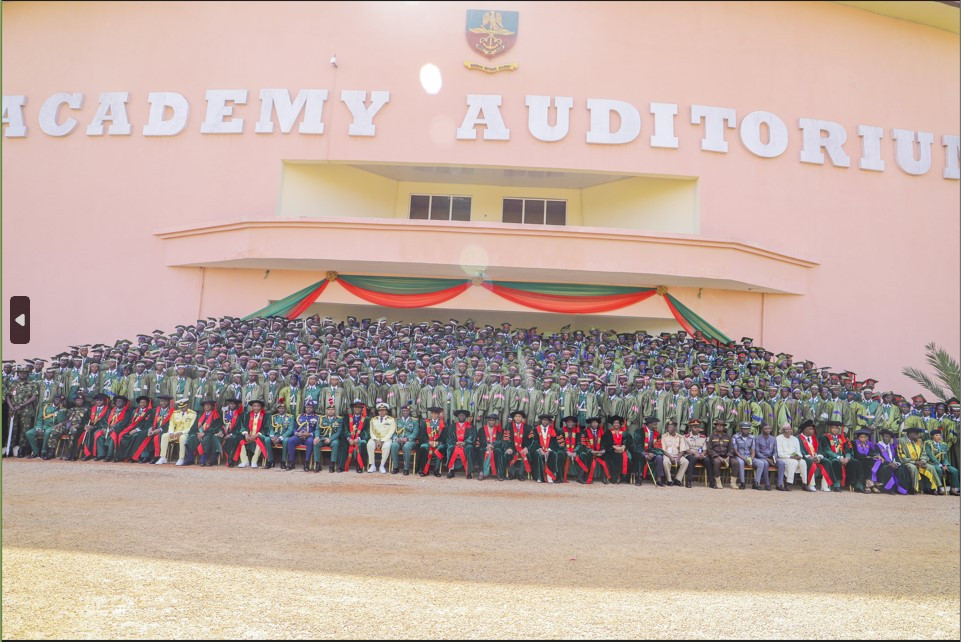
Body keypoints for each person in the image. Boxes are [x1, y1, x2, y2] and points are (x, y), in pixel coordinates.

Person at [4, 367, 38, 457]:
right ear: (18, 373)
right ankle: (9, 448)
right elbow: (8, 396)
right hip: (13, 410)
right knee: (12, 429)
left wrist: (21, 405)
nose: (22, 374)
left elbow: (34, 397)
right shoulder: (13, 383)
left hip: (26, 410)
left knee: (24, 430)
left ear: (27, 374)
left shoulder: (32, 384)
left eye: (24, 373)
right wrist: (11, 406)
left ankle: (22, 449)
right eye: (20, 373)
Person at [897, 425, 939, 494]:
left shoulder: (919, 441)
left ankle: (933, 488)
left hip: (919, 462)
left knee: (931, 467)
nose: (918, 435)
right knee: (913, 468)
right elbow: (901, 455)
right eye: (916, 434)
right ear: (910, 434)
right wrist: (914, 462)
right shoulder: (901, 441)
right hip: (908, 462)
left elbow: (923, 453)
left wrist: (923, 461)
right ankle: (914, 488)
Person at [25, 394, 66, 459]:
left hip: (52, 427)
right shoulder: (46, 407)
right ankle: (35, 452)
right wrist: (39, 428)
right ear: (53, 399)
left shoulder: (63, 410)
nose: (58, 401)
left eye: (60, 400)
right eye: (57, 399)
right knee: (29, 433)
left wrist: (60, 410)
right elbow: (39, 419)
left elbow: (60, 421)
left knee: (47, 432)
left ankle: (44, 452)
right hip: (43, 426)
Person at [157, 398, 196, 465]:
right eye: (181, 407)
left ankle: (181, 458)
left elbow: (191, 427)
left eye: (184, 407)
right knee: (164, 436)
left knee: (182, 438)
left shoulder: (193, 414)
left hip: (186, 433)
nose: (182, 409)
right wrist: (171, 432)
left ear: (187, 406)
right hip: (175, 433)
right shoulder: (175, 413)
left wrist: (182, 432)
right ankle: (163, 457)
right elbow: (171, 424)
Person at [115, 396, 153, 462]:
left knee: (134, 436)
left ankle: (134, 457)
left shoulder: (149, 412)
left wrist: (136, 430)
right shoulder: (135, 411)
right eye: (141, 402)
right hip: (132, 428)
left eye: (144, 402)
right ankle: (123, 456)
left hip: (143, 430)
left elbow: (147, 424)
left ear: (147, 403)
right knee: (122, 436)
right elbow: (130, 422)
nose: (142, 404)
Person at [234, 399, 269, 469]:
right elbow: (243, 426)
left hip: (259, 435)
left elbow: (266, 428)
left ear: (261, 407)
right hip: (248, 434)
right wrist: (246, 434)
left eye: (258, 406)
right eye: (254, 406)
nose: (256, 408)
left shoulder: (265, 415)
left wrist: (256, 435)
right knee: (239, 437)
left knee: (260, 440)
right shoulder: (247, 415)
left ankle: (254, 461)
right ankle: (244, 461)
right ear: (252, 407)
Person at [798, 419, 832, 492]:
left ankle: (824, 485)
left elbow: (820, 450)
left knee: (827, 462)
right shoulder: (799, 439)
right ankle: (811, 484)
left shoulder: (815, 438)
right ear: (804, 430)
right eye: (810, 429)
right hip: (806, 458)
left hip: (816, 458)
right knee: (810, 462)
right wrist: (810, 457)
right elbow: (800, 451)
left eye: (813, 429)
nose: (813, 430)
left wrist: (818, 457)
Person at [819, 420, 851, 491]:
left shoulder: (842, 437)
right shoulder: (824, 437)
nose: (835, 429)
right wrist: (838, 457)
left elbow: (848, 449)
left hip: (843, 458)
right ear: (829, 428)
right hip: (831, 457)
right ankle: (837, 485)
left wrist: (847, 457)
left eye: (837, 428)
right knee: (836, 462)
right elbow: (826, 450)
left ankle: (856, 485)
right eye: (833, 428)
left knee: (854, 462)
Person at [925, 429, 959, 496]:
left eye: (940, 435)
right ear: (932, 436)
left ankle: (953, 489)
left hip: (942, 463)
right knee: (939, 470)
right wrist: (940, 465)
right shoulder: (928, 444)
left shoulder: (943, 445)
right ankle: (939, 488)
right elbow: (930, 455)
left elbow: (945, 457)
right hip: (932, 463)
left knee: (954, 470)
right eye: (936, 435)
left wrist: (945, 464)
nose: (939, 437)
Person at [578, 416, 610, 484]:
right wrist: (591, 451)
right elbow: (584, 444)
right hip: (588, 451)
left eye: (596, 422)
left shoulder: (601, 432)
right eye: (593, 422)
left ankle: (604, 477)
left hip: (598, 451)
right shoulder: (585, 432)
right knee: (587, 456)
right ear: (590, 424)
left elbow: (603, 443)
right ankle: (586, 477)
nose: (595, 424)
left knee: (606, 456)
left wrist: (602, 450)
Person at [287, 401, 318, 471]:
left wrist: (310, 434)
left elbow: (318, 430)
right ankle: (291, 462)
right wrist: (297, 433)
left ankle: (306, 463)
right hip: (299, 436)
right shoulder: (299, 416)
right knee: (290, 440)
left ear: (313, 408)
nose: (308, 409)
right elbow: (294, 428)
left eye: (310, 407)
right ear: (305, 408)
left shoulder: (317, 417)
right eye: (307, 407)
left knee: (310, 441)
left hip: (309, 436)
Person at [875, 429, 907, 495]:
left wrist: (897, 463)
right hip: (882, 464)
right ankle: (890, 489)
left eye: (889, 437)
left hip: (893, 463)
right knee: (887, 468)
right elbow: (877, 458)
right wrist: (889, 464)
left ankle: (900, 489)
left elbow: (896, 457)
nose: (887, 438)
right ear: (882, 437)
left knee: (902, 467)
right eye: (885, 436)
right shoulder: (877, 446)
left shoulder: (892, 446)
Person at [390, 402, 419, 475]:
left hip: (410, 441)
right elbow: (393, 432)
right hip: (399, 440)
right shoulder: (397, 421)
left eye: (407, 411)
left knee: (406, 446)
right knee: (394, 445)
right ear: (401, 411)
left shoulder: (414, 421)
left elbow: (415, 433)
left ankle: (406, 469)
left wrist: (408, 439)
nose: (405, 412)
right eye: (404, 411)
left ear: (409, 411)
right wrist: (396, 438)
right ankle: (396, 467)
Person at [775, 423, 805, 491]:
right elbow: (780, 453)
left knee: (803, 462)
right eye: (786, 429)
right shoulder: (779, 438)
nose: (788, 431)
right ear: (783, 430)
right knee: (793, 462)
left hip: (795, 458)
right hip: (784, 458)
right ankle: (788, 483)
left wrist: (799, 456)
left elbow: (798, 451)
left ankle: (804, 484)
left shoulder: (795, 439)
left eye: (790, 429)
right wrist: (791, 457)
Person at [314, 400, 343, 473]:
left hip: (333, 439)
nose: (330, 411)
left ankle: (332, 464)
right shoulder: (321, 418)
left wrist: (330, 439)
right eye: (329, 409)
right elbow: (317, 429)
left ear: (335, 410)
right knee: (316, 443)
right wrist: (317, 437)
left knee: (335, 443)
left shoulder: (339, 419)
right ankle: (317, 464)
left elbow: (338, 432)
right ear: (326, 410)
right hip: (323, 438)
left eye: (332, 409)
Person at [504, 410, 532, 481]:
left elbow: (531, 440)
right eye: (516, 416)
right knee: (508, 454)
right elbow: (506, 439)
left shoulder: (528, 427)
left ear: (522, 418)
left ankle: (520, 474)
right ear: (513, 418)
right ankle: (512, 473)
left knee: (525, 454)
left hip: (523, 448)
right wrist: (509, 448)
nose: (518, 418)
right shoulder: (508, 427)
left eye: (519, 416)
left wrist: (526, 448)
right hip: (512, 448)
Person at [368, 402, 397, 474]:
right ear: (378, 411)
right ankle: (372, 465)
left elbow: (391, 432)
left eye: (383, 410)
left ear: (386, 411)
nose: (382, 412)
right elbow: (371, 431)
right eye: (380, 410)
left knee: (387, 446)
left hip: (386, 439)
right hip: (375, 438)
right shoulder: (373, 419)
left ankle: (382, 465)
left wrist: (382, 441)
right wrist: (376, 440)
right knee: (369, 444)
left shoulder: (391, 420)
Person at [342, 400, 370, 473]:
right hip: (349, 439)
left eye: (359, 407)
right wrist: (349, 438)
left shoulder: (366, 419)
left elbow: (367, 432)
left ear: (361, 409)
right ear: (353, 409)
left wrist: (358, 438)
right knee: (342, 443)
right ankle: (342, 466)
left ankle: (359, 466)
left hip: (359, 439)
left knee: (362, 443)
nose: (357, 409)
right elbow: (345, 430)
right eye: (355, 407)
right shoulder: (347, 418)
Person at [682, 419, 711, 488]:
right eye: (695, 427)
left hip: (700, 455)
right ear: (691, 427)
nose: (696, 429)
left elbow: (704, 449)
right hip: (690, 454)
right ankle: (689, 482)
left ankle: (712, 482)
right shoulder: (686, 437)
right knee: (692, 460)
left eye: (698, 427)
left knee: (707, 461)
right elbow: (686, 450)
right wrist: (695, 454)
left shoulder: (703, 437)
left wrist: (703, 454)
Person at [446, 408, 474, 479]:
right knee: (450, 448)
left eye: (463, 415)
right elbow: (449, 437)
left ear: (466, 417)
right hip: (455, 444)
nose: (461, 417)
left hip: (466, 444)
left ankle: (469, 472)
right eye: (460, 415)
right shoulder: (452, 426)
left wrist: (465, 442)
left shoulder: (470, 426)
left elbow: (472, 437)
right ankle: (451, 470)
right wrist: (456, 442)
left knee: (469, 448)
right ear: (457, 417)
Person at [419, 406, 447, 477]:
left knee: (440, 448)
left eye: (436, 414)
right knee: (423, 447)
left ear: (439, 414)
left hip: (438, 443)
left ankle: (436, 470)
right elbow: (422, 435)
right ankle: (424, 470)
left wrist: (439, 442)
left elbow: (445, 436)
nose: (434, 415)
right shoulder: (426, 423)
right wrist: (428, 441)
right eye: (433, 413)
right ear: (431, 414)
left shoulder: (443, 423)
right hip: (428, 442)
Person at [706, 418, 733, 489]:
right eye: (718, 425)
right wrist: (718, 457)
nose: (720, 427)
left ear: (724, 427)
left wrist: (728, 457)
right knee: (717, 462)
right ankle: (718, 481)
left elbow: (731, 448)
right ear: (715, 426)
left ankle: (733, 482)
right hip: (715, 456)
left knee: (735, 462)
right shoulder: (711, 436)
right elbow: (709, 449)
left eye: (721, 425)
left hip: (726, 456)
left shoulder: (728, 436)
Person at [266, 402, 295, 469]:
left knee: (285, 441)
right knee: (267, 439)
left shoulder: (290, 417)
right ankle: (270, 461)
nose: (281, 410)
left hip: (284, 436)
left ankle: (283, 461)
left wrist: (280, 438)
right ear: (277, 409)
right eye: (280, 408)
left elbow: (290, 430)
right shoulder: (273, 417)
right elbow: (271, 428)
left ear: (285, 409)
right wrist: (272, 436)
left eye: (283, 408)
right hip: (275, 436)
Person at [530, 413, 558, 483]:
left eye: (546, 420)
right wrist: (540, 449)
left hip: (549, 449)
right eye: (543, 420)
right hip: (539, 449)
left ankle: (550, 476)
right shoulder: (535, 429)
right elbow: (534, 441)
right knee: (537, 454)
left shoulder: (553, 430)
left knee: (553, 454)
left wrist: (549, 450)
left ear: (549, 421)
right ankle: (539, 476)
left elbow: (554, 442)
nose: (545, 422)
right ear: (541, 421)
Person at [556, 415, 585, 483]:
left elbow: (579, 443)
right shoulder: (560, 430)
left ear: (574, 423)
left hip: (575, 451)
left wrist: (575, 451)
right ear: (566, 423)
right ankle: (560, 477)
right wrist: (566, 451)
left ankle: (580, 477)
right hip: (564, 450)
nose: (570, 423)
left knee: (584, 455)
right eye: (568, 422)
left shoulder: (578, 431)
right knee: (560, 454)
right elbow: (560, 442)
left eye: (571, 422)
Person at [849, 428, 878, 493]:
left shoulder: (869, 444)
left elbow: (872, 452)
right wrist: (867, 457)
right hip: (857, 459)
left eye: (864, 437)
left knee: (874, 462)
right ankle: (867, 486)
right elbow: (856, 454)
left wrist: (875, 455)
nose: (863, 439)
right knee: (865, 465)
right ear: (858, 437)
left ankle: (872, 484)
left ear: (867, 438)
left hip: (866, 460)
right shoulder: (854, 443)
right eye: (861, 437)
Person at [730, 422, 756, 490]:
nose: (745, 430)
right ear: (741, 429)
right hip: (739, 456)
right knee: (741, 463)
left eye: (747, 429)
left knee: (761, 463)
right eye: (744, 429)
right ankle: (742, 482)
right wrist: (745, 460)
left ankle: (756, 483)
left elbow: (753, 451)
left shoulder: (752, 437)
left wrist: (750, 460)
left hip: (749, 456)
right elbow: (736, 451)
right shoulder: (735, 437)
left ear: (749, 430)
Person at [753, 422, 777, 490]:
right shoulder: (757, 438)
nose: (768, 430)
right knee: (765, 463)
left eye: (769, 428)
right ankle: (767, 484)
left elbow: (775, 452)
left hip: (771, 458)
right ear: (762, 429)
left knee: (781, 463)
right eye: (766, 429)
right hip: (761, 457)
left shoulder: (773, 439)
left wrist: (774, 459)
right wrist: (766, 459)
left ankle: (780, 484)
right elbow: (757, 453)